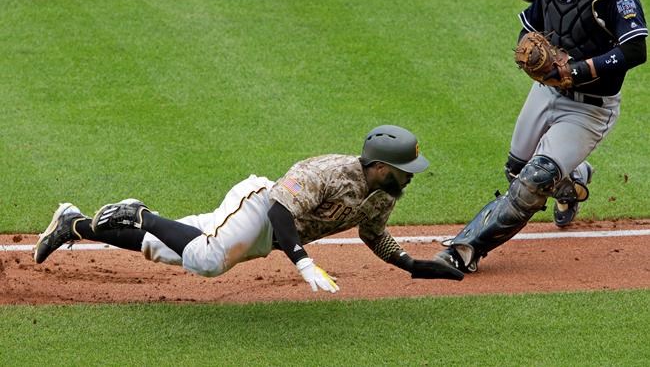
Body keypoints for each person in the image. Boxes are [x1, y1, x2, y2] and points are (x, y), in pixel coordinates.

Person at [436, 0, 647, 273]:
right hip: (546, 93)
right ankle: (573, 178)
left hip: (589, 107)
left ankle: (467, 249)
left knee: (535, 179)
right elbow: (530, 29)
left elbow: (635, 50)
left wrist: (577, 71)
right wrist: (530, 53)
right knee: (516, 171)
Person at [34, 125, 464, 291]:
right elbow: (280, 210)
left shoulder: (384, 194)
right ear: (381, 166)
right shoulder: (328, 172)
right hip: (260, 208)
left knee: (165, 248)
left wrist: (415, 265)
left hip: (270, 235)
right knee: (205, 260)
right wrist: (302, 262)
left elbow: (375, 235)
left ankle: (75, 224)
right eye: (405, 169)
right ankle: (138, 213)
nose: (411, 176)